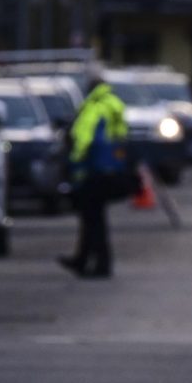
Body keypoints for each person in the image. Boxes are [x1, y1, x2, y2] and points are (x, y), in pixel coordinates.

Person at [61, 74, 130, 278]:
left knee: (93, 218)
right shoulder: (114, 103)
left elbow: (84, 138)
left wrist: (73, 162)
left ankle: (100, 265)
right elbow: (121, 136)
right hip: (111, 168)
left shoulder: (94, 107)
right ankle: (82, 260)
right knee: (92, 217)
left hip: (92, 170)